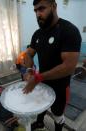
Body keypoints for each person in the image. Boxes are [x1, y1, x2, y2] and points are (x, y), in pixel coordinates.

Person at [19, 0, 82, 131]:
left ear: (54, 6)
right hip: (42, 81)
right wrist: (30, 70)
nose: (38, 14)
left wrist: (37, 78)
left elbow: (69, 67)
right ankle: (40, 123)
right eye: (35, 11)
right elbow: (28, 54)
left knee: (57, 114)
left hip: (60, 87)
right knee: (40, 106)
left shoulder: (69, 31)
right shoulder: (37, 34)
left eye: (41, 9)